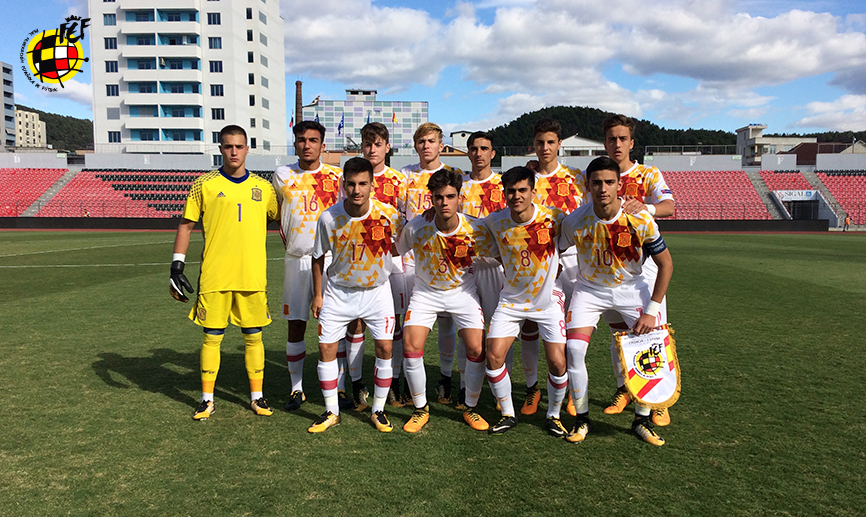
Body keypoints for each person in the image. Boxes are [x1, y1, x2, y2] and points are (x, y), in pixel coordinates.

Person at [559, 156, 673, 446]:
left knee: (646, 351)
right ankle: (582, 419)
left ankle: (641, 420)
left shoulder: (639, 218)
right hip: (589, 290)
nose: (603, 188)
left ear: (619, 185)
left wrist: (651, 310)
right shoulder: (575, 220)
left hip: (631, 288)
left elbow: (666, 264)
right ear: (587, 186)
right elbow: (554, 251)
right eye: (596, 183)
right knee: (573, 349)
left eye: (609, 182)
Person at [169, 124, 279, 420]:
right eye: (228, 146)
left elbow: (279, 217)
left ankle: (257, 397)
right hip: (215, 275)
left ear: (247, 149)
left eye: (239, 146)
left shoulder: (264, 188)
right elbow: (186, 226)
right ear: (220, 149)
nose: (233, 152)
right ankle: (207, 400)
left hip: (251, 275)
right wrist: (177, 265)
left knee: (254, 336)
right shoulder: (203, 184)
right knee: (212, 337)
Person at [308, 157, 402, 433]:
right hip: (338, 293)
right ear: (343, 185)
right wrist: (317, 295)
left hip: (377, 293)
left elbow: (410, 236)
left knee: (385, 349)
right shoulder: (328, 218)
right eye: (351, 184)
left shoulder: (389, 215)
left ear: (372, 185)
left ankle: (378, 410)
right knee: (326, 349)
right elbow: (317, 257)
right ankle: (331, 411)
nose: (357, 190)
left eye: (363, 184)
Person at [397, 168, 493, 433]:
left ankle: (470, 407)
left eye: (450, 196)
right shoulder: (417, 226)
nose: (444, 203)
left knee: (476, 348)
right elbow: (396, 250)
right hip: (426, 293)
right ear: (431, 199)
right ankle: (420, 408)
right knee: (410, 345)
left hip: (463, 293)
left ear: (460, 198)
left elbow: (501, 253)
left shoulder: (476, 228)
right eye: (439, 197)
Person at [483, 166, 570, 437]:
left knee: (558, 362)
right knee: (493, 356)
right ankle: (508, 414)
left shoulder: (554, 217)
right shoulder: (494, 221)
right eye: (511, 191)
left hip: (547, 300)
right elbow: (468, 229)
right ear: (504, 193)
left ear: (533, 191)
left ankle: (553, 415)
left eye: (522, 190)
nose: (517, 196)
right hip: (511, 300)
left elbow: (575, 235)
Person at [600, 114, 675, 427]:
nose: (617, 144)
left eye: (622, 139)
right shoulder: (599, 175)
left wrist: (647, 207)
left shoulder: (647, 173)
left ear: (632, 142)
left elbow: (670, 207)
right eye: (611, 139)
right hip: (611, 265)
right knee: (618, 334)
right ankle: (624, 390)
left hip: (645, 265)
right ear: (605, 142)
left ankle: (658, 400)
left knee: (653, 333)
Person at [272, 121, 347, 412]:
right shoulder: (282, 175)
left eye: (313, 140)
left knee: (335, 327)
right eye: (302, 139)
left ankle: (340, 388)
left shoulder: (337, 177)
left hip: (330, 261)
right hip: (296, 260)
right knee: (296, 324)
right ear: (295, 144)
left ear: (322, 146)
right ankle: (297, 388)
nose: (307, 145)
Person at [523, 118, 586, 418]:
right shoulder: (526, 177)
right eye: (540, 142)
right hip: (535, 263)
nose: (545, 148)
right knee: (530, 326)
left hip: (572, 261)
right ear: (533, 145)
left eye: (550, 142)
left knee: (572, 330)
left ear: (560, 144)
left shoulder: (577, 177)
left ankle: (572, 390)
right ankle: (532, 389)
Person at [347, 122, 410, 410]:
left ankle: (393, 382)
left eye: (377, 144)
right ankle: (356, 384)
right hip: (357, 261)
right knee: (356, 322)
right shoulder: (351, 178)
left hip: (390, 262)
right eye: (367, 144)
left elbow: (406, 222)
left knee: (393, 324)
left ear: (387, 146)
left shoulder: (399, 180)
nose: (372, 149)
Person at [401, 122, 463, 405]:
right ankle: (406, 380)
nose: (426, 146)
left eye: (431, 141)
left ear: (441, 145)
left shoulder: (454, 174)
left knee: (447, 320)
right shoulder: (404, 175)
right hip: (410, 258)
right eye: (421, 141)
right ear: (415, 146)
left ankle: (446, 378)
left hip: (444, 257)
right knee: (410, 322)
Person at [456, 131, 507, 409]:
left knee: (500, 330)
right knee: (467, 330)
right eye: (474, 148)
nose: (478, 153)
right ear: (468, 152)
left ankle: (501, 390)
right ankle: (465, 386)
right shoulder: (459, 185)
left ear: (492, 153)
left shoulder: (503, 185)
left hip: (497, 267)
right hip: (466, 267)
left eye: (484, 148)